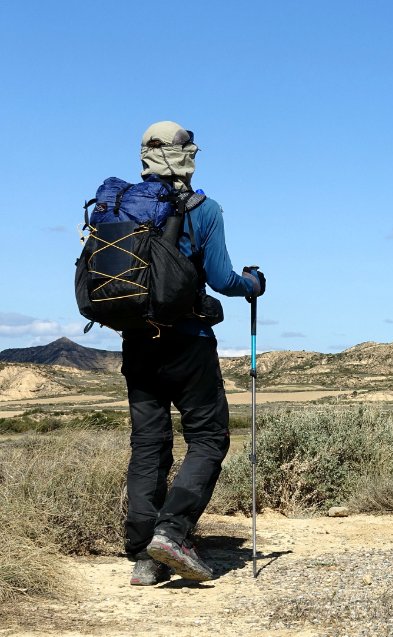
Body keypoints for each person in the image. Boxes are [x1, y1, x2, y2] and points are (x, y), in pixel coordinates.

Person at [124, 121, 265, 585]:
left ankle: (146, 554)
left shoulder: (119, 205)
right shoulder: (204, 208)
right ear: (187, 156)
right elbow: (224, 279)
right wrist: (252, 285)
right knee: (208, 438)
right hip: (188, 342)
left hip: (137, 341)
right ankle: (173, 532)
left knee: (149, 445)